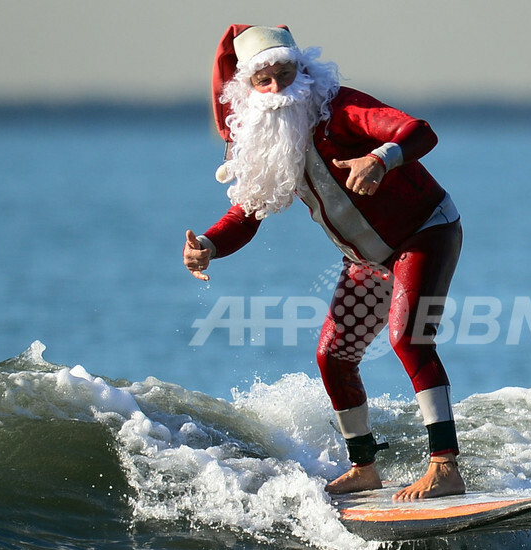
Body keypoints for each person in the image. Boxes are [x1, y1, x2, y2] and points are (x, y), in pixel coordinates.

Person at [182, 24, 465, 501]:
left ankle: (445, 466)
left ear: (305, 70)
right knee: (333, 356)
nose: (277, 91)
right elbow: (247, 213)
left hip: (424, 233)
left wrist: (381, 158)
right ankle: (364, 468)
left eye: (286, 75)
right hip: (366, 258)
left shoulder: (341, 109)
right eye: (263, 81)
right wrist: (209, 245)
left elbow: (418, 131)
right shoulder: (267, 139)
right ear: (247, 90)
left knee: (408, 337)